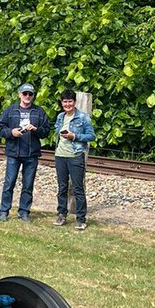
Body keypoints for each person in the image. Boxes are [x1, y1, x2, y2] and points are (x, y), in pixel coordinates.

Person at [0, 83, 51, 221]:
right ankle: (4, 211)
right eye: (25, 93)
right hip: (14, 153)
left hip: (31, 154)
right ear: (19, 94)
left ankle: (24, 211)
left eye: (30, 94)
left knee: (28, 185)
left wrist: (36, 130)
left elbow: (46, 131)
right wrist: (11, 132)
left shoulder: (39, 112)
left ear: (33, 96)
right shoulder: (10, 111)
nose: (27, 96)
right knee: (9, 183)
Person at [53, 89, 96, 230]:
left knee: (78, 189)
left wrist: (75, 136)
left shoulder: (83, 117)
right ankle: (61, 214)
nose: (67, 104)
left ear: (74, 102)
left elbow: (91, 136)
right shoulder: (60, 116)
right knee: (62, 187)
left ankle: (81, 218)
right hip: (60, 156)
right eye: (65, 102)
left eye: (70, 101)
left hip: (76, 156)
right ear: (62, 103)